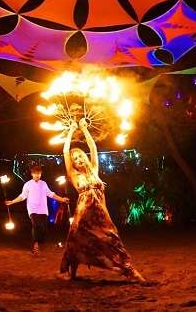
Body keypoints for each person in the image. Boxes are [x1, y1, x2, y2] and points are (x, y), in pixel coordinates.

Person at [59, 118, 144, 281]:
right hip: (83, 217)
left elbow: (93, 147)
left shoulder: (94, 170)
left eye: (80, 156)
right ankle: (73, 274)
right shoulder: (74, 175)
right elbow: (65, 152)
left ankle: (129, 269)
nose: (78, 159)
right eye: (75, 159)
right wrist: (70, 130)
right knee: (76, 242)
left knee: (112, 239)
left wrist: (84, 129)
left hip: (100, 216)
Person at [6, 165, 69, 254]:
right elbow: (23, 196)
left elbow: (51, 194)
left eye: (39, 174)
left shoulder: (43, 184)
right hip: (32, 209)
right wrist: (12, 201)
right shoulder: (27, 184)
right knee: (36, 225)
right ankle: (35, 246)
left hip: (43, 210)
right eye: (35, 173)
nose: (37, 175)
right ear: (32, 174)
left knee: (43, 228)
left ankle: (38, 243)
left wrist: (62, 199)